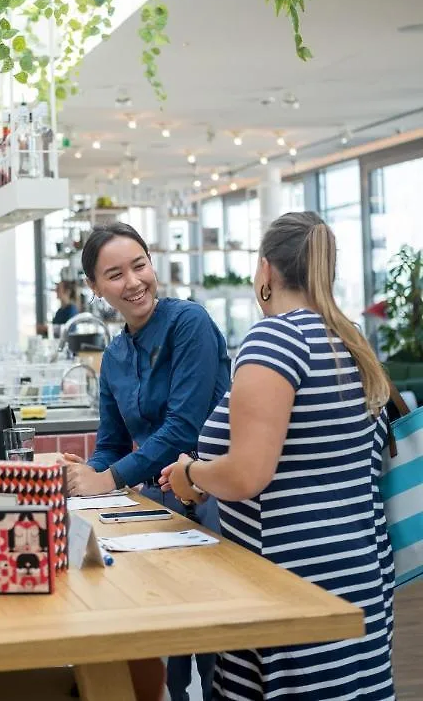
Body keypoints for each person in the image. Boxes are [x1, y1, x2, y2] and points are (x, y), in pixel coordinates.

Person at [161, 211, 395, 701]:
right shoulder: (348, 339)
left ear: (265, 271)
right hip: (357, 573)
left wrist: (191, 474)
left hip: (290, 580)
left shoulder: (276, 339)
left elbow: (247, 472)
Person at [61, 221, 231, 701]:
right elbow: (113, 443)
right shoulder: (114, 355)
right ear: (95, 288)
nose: (133, 282)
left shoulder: (189, 324)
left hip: (212, 501)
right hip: (158, 512)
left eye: (139, 266)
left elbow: (183, 429)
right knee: (163, 631)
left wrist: (107, 479)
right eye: (115, 274)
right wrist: (85, 476)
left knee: (211, 644)